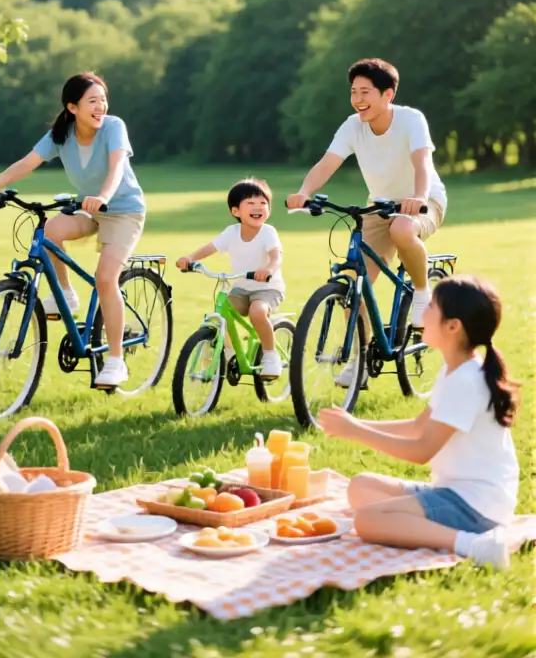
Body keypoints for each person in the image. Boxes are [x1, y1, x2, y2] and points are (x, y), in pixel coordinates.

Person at [319, 275, 520, 570]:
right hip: (454, 492)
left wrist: (357, 432)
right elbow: (418, 426)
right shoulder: (455, 370)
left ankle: (476, 545)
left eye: (432, 307)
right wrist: (353, 423)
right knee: (360, 487)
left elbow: (421, 450)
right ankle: (429, 525)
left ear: (453, 326)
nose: (423, 312)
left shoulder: (466, 381)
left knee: (367, 521)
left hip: (476, 507)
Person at [0, 71, 145, 387]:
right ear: (72, 107)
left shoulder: (113, 127)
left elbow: (117, 168)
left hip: (124, 211)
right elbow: (28, 162)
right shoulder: (61, 135)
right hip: (88, 207)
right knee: (50, 232)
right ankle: (66, 293)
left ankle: (116, 361)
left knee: (105, 279)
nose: (100, 106)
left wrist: (103, 197)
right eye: (92, 101)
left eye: (103, 100)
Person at [287, 57, 447, 387]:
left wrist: (418, 197)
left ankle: (421, 292)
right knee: (354, 284)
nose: (357, 99)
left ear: (388, 94)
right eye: (353, 91)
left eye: (365, 92)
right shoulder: (352, 126)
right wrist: (303, 192)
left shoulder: (411, 120)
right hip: (379, 206)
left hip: (424, 201)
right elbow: (327, 163)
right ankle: (358, 361)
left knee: (402, 228)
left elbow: (422, 163)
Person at [176, 178, 285, 380]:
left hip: (267, 288)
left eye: (263, 203)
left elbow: (276, 256)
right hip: (241, 289)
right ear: (236, 211)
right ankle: (228, 353)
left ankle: (271, 356)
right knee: (219, 317)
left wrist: (268, 268)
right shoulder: (231, 232)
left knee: (257, 312)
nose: (258, 207)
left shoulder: (268, 232)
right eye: (250, 203)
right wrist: (190, 258)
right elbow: (210, 247)